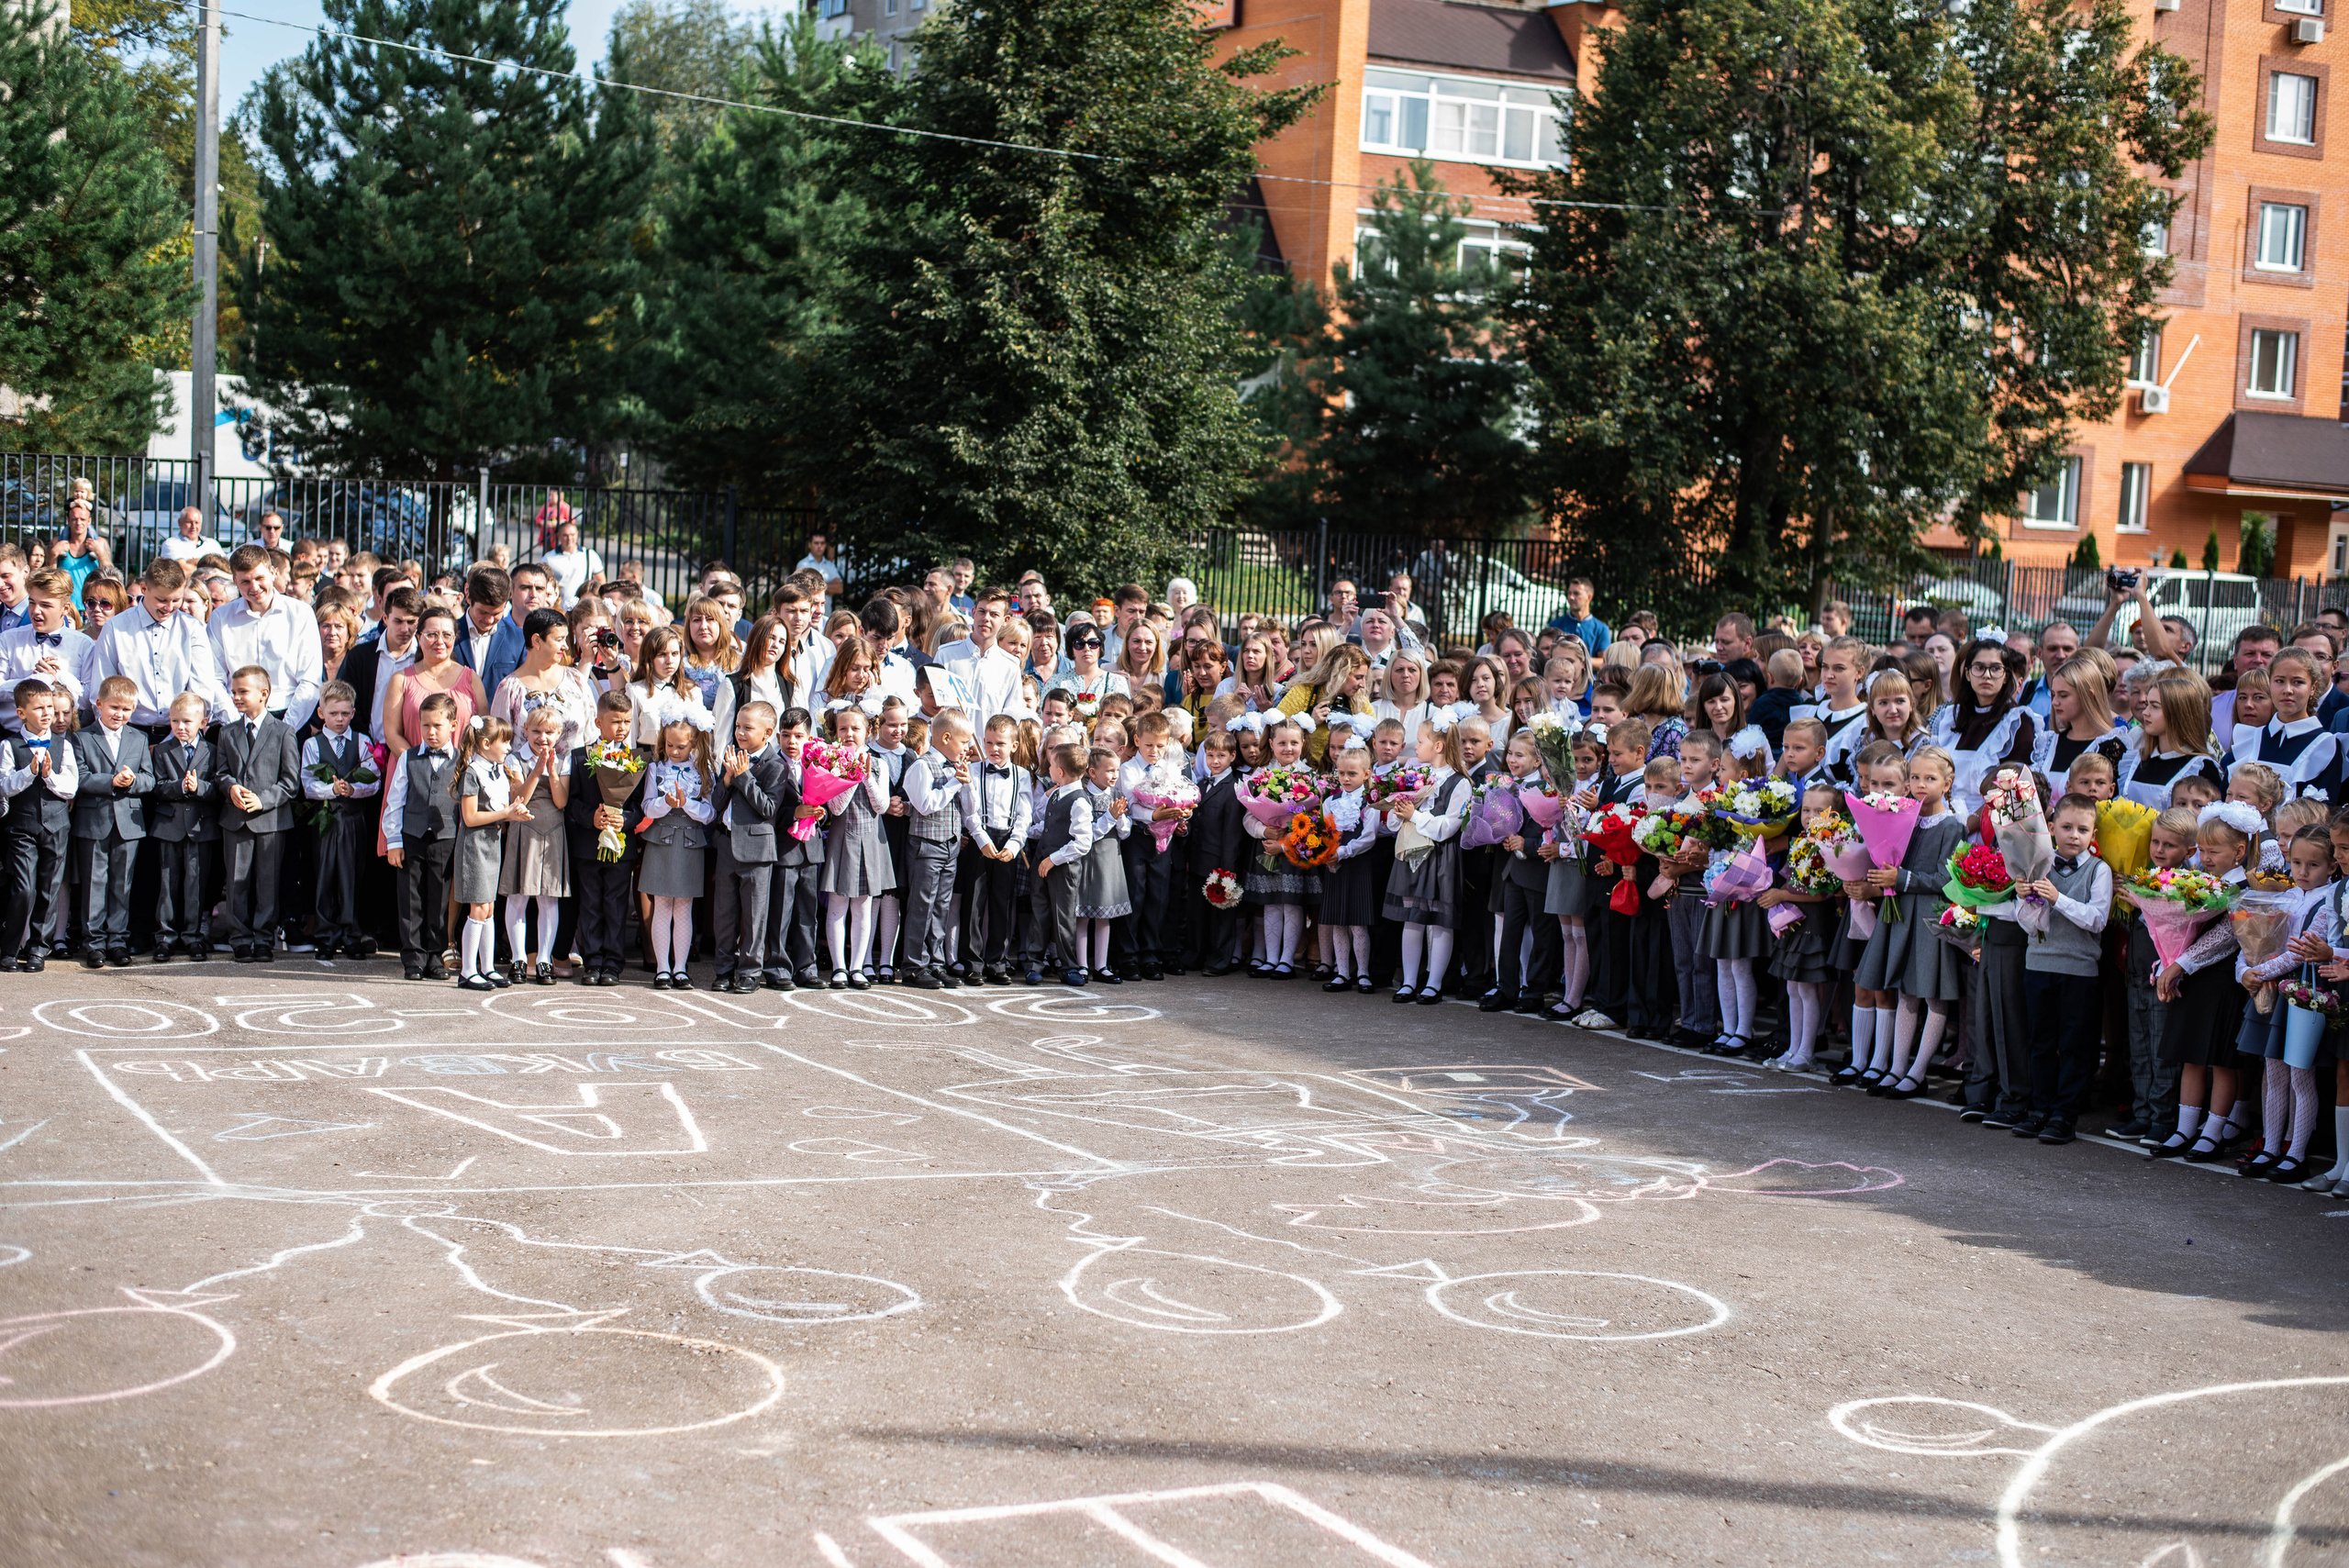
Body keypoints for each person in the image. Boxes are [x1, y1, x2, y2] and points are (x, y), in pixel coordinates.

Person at [212, 664, 304, 963]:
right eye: (234, 692)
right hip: (235, 819)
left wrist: (262, 800)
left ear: (264, 694)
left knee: (268, 883)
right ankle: (239, 938)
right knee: (236, 882)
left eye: (243, 692)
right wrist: (230, 788)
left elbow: (290, 782)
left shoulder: (284, 732)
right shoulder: (227, 733)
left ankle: (264, 939)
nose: (236, 697)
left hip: (270, 820)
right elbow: (221, 773)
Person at [68, 675, 151, 967]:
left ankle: (117, 940)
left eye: (127, 710)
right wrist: (110, 781)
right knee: (95, 882)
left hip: (128, 821)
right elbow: (80, 777)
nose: (120, 714)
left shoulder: (139, 738)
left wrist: (132, 782)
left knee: (122, 883)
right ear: (99, 704)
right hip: (95, 820)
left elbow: (149, 778)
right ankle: (94, 943)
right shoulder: (82, 738)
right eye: (114, 707)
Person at [710, 701, 788, 994]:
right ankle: (723, 970)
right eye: (738, 726)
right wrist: (729, 778)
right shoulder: (732, 757)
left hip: (757, 851)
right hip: (727, 845)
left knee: (754, 916)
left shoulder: (776, 765)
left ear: (768, 732)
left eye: (748, 728)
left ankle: (750, 972)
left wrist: (743, 777)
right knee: (724, 913)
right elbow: (717, 804)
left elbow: (769, 808)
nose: (740, 732)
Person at [1, 681, 74, 967]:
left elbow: (70, 788)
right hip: (22, 827)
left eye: (50, 708)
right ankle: (9, 949)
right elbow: (3, 786)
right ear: (21, 713)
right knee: (23, 888)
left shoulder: (63, 745)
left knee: (49, 887)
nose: (48, 714)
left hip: (56, 825)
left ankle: (37, 949)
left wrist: (48, 776)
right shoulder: (9, 746)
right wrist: (29, 772)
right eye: (39, 708)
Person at [899, 708, 974, 989]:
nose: (967, 747)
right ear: (945, 737)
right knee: (922, 905)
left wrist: (966, 785)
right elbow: (926, 805)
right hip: (927, 844)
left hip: (951, 844)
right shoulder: (922, 765)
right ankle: (914, 966)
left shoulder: (957, 768)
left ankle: (936, 962)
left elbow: (969, 810)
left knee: (941, 906)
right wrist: (955, 782)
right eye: (963, 742)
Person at [52, 495, 112, 609]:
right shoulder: (57, 543)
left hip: (94, 606)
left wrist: (100, 553)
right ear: (68, 520)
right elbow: (50, 576)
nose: (78, 523)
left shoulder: (100, 543)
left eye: (83, 519)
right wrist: (53, 555)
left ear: (89, 521)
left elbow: (112, 576)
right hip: (66, 608)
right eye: (74, 519)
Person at [540, 521, 604, 609]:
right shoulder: (549, 557)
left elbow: (601, 580)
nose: (569, 538)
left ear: (577, 534)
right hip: (559, 608)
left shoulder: (589, 554)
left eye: (572, 535)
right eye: (565, 535)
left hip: (583, 607)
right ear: (558, 536)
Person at [1546, 578, 1610, 654]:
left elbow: (1603, 661)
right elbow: (1548, 654)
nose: (1571, 597)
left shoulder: (1601, 629)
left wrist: (1578, 659)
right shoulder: (1555, 625)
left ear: (1589, 597)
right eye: (1569, 593)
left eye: (1576, 593)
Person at [159, 506, 226, 562]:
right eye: (189, 522)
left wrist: (190, 562)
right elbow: (181, 570)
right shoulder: (171, 544)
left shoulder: (212, 544)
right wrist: (210, 564)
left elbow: (226, 567)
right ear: (180, 523)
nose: (193, 527)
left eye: (196, 522)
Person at [796, 532, 845, 600]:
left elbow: (840, 588)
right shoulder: (803, 564)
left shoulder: (830, 565)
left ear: (825, 545)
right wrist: (829, 586)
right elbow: (805, 589)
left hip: (827, 610)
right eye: (816, 543)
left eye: (822, 543)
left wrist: (816, 586)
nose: (819, 546)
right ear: (810, 545)